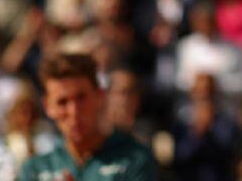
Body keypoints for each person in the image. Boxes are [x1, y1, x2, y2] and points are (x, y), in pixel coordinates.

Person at [17, 53, 156, 180]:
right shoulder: (35, 170)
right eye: (62, 102)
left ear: (100, 96)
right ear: (47, 107)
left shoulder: (134, 160)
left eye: (81, 98)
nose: (74, 112)